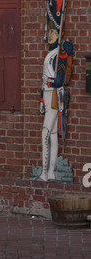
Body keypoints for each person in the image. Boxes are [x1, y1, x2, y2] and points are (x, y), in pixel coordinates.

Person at [39, 20, 74, 181]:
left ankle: (45, 173)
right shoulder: (51, 53)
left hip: (54, 96)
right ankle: (51, 172)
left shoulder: (60, 54)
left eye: (53, 32)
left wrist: (48, 83)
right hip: (47, 97)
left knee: (45, 133)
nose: (50, 35)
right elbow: (44, 77)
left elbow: (59, 80)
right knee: (52, 135)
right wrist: (41, 99)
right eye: (49, 32)